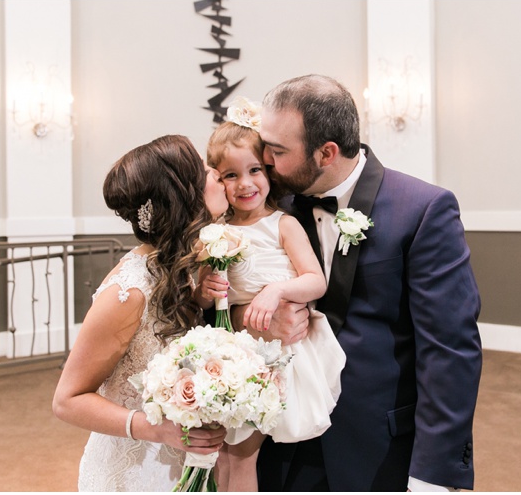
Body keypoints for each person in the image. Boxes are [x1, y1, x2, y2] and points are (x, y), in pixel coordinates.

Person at [245, 75, 482, 491]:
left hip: (379, 447)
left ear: (326, 153)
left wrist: (433, 473)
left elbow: (449, 348)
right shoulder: (271, 207)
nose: (264, 159)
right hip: (280, 438)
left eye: (278, 151)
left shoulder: (424, 209)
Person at [53, 135, 232, 491]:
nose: (216, 173)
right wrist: (157, 430)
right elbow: (67, 400)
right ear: (184, 196)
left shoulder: (188, 266)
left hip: (182, 461)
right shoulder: (129, 291)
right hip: (132, 472)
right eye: (204, 170)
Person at [200, 108, 345, 491]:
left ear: (269, 172)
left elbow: (315, 281)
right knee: (222, 452)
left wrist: (277, 290)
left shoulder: (282, 224)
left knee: (241, 453)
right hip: (231, 351)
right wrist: (205, 291)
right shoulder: (216, 230)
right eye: (230, 175)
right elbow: (205, 301)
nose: (245, 183)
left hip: (277, 353)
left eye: (254, 170)